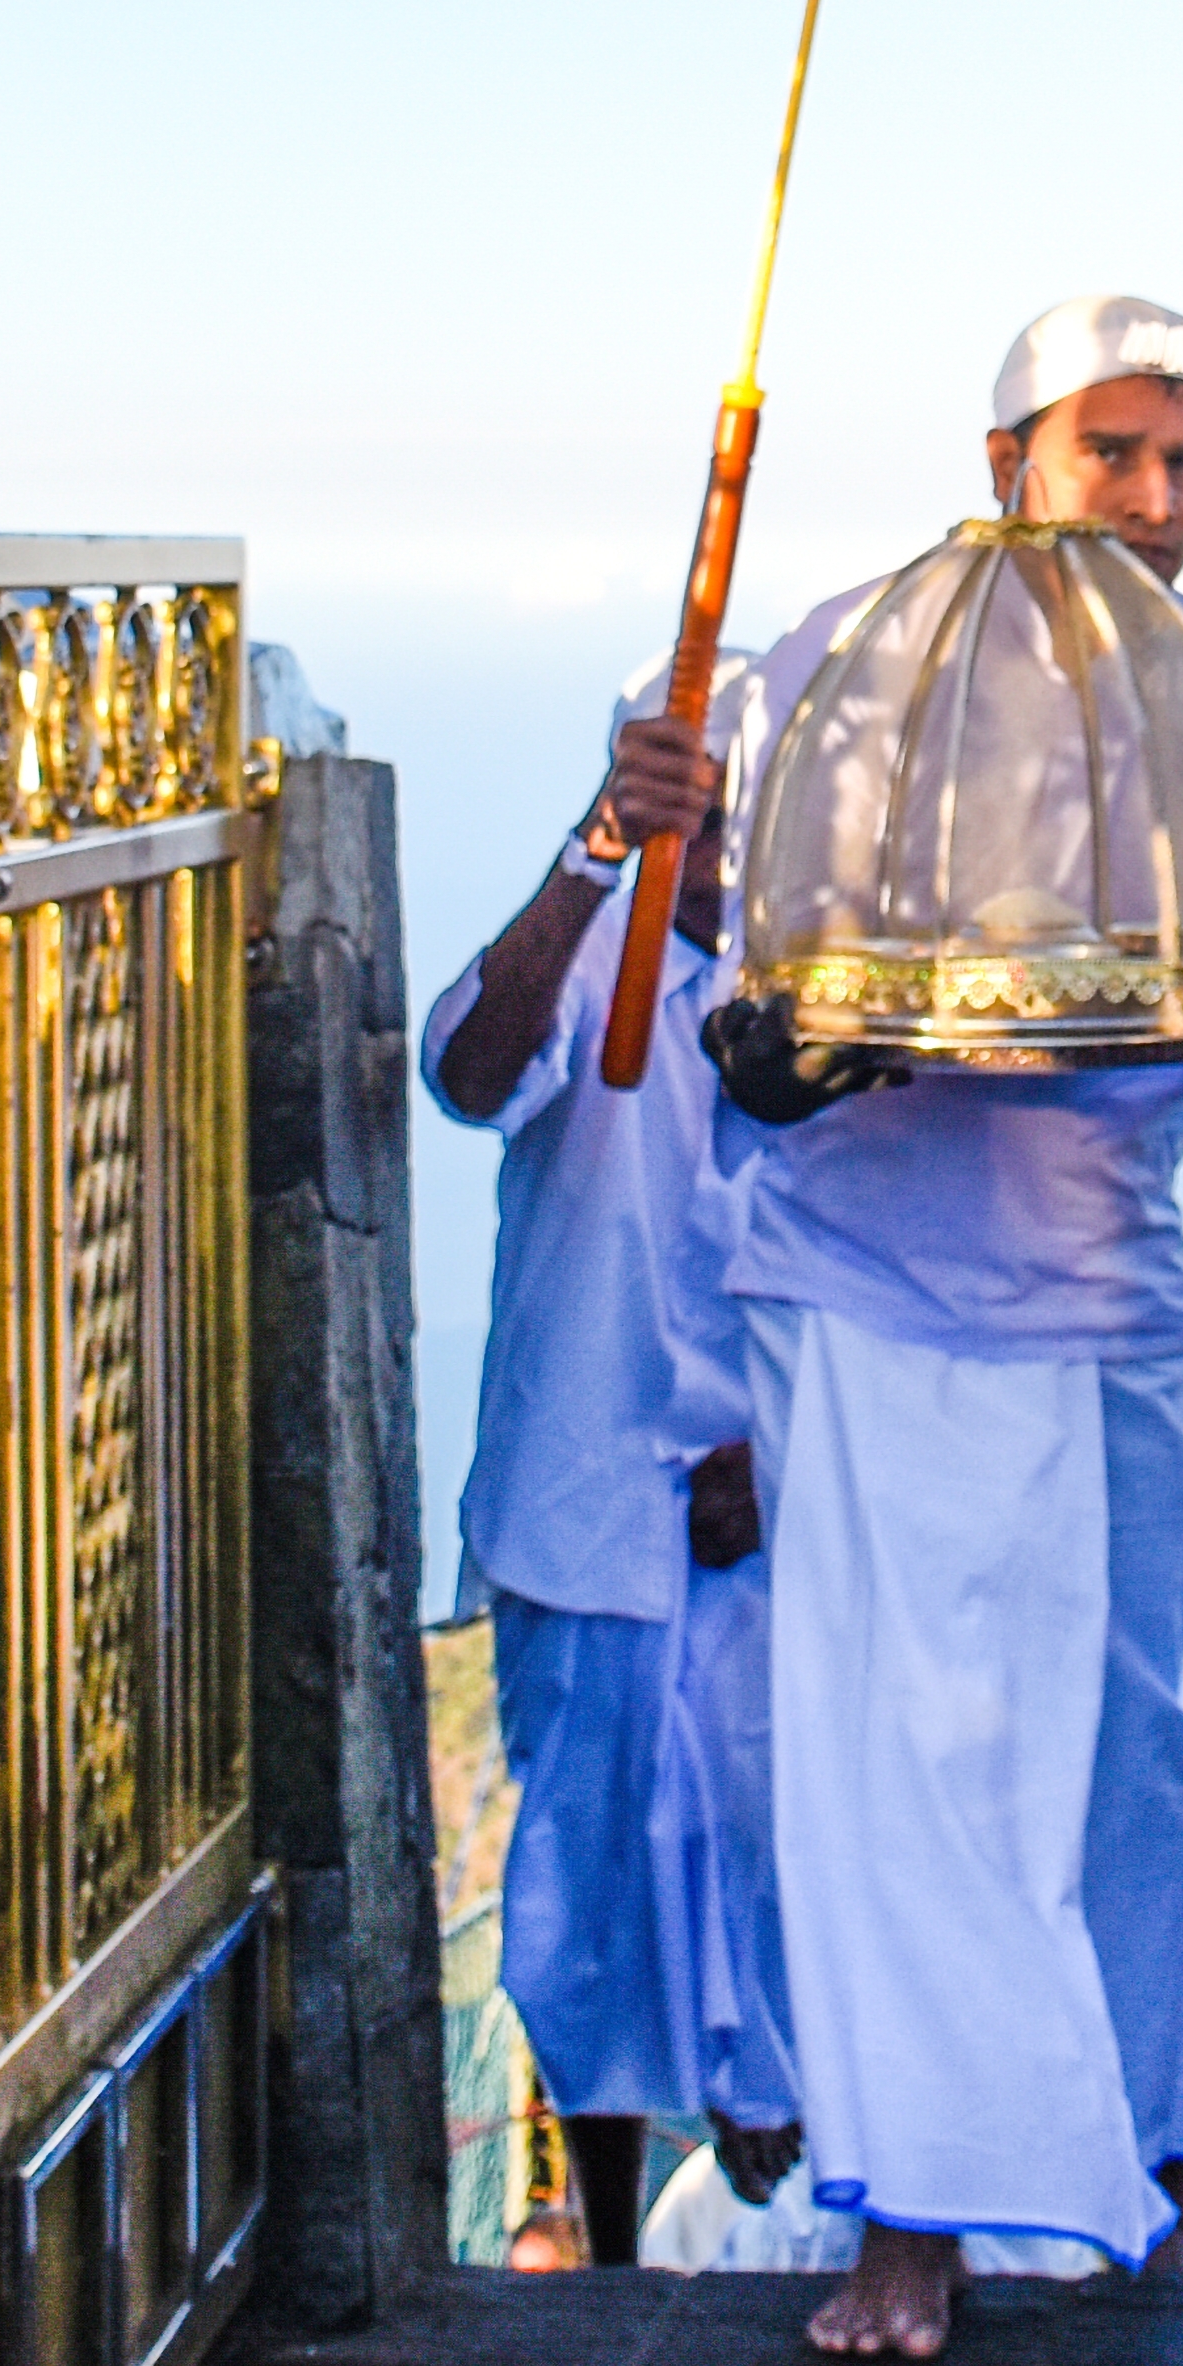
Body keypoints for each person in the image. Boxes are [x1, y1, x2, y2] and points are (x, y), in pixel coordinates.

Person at [711, 294, 1183, 2366]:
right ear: (1008, 464)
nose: (1155, 504)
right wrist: (813, 1058)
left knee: (1122, 1760)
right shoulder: (842, 674)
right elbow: (756, 1027)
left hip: (1102, 1306)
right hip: (860, 1292)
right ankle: (902, 2219)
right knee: (883, 1769)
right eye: (1115, 456)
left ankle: (1133, 2180)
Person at [426, 688, 796, 2268]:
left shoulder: (834, 991)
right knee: (584, 1892)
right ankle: (603, 2238)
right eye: (689, 818)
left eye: (735, 820)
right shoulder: (594, 950)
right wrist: (594, 851)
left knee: (785, 1850)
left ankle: (812, 2214)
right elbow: (465, 1064)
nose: (711, 853)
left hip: (786, 1498)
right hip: (588, 1492)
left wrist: (785, 1452)